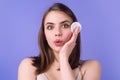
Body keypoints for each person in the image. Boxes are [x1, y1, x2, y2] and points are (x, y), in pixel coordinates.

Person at [18, 3, 101, 80]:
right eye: (50, 27)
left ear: (75, 30)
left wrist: (63, 58)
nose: (57, 33)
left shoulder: (91, 67)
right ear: (44, 34)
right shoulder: (28, 66)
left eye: (65, 26)